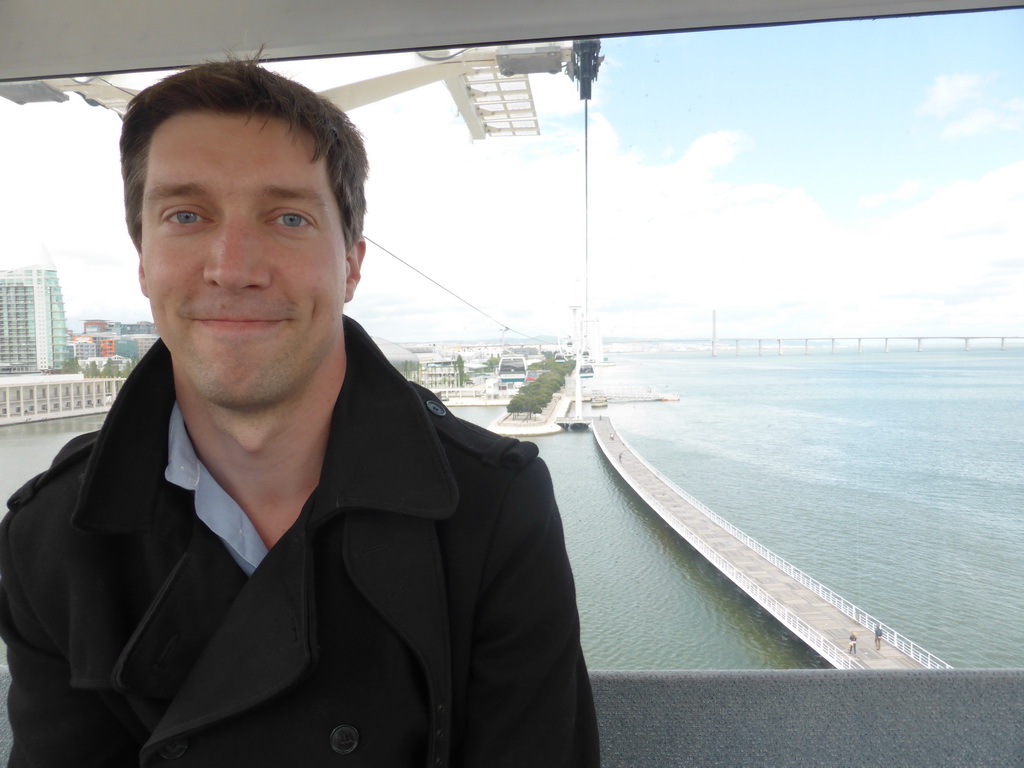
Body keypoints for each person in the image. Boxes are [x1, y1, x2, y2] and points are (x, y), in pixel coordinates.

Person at [0, 58, 599, 767]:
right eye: (186, 216)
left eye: (287, 217)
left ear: (350, 265)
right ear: (142, 261)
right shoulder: (49, 540)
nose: (233, 266)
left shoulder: (495, 507)